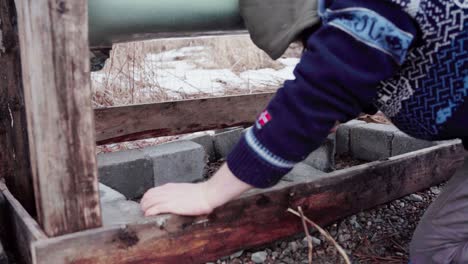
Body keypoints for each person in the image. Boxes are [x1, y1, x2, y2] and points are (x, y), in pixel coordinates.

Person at [141, 0, 467, 262]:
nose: (312, 49)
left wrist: (208, 193)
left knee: (438, 252)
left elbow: (315, 98)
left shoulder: (370, 6)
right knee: (435, 248)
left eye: (309, 37)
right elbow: (362, 77)